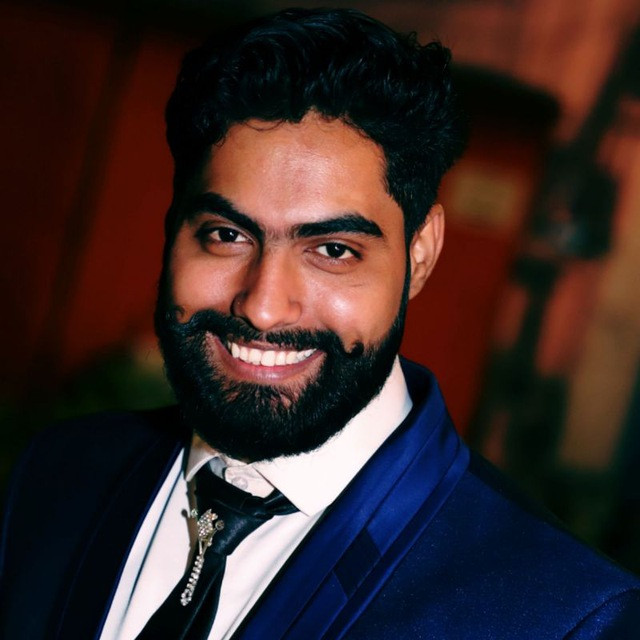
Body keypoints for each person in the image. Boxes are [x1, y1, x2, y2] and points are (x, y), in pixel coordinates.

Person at [1, 7, 639, 640]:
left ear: (420, 255)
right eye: (226, 235)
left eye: (333, 250)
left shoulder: (564, 616)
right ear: (173, 232)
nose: (262, 306)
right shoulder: (59, 473)